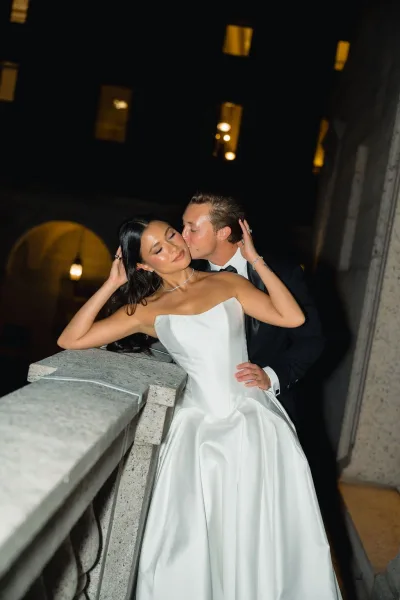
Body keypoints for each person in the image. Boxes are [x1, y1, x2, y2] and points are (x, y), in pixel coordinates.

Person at [58, 217, 341, 600]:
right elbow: (71, 339)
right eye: (157, 249)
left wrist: (256, 260)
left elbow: (292, 317)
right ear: (143, 265)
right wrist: (112, 283)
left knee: (259, 531)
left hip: (251, 421)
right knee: (193, 541)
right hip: (196, 434)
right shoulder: (146, 309)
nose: (173, 247)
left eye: (172, 235)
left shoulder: (227, 282)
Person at [182, 192, 324, 424]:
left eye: (192, 229)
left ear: (223, 232)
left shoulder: (281, 273)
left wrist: (271, 376)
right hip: (197, 408)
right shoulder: (185, 274)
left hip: (262, 412)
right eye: (183, 226)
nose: (183, 236)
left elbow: (311, 340)